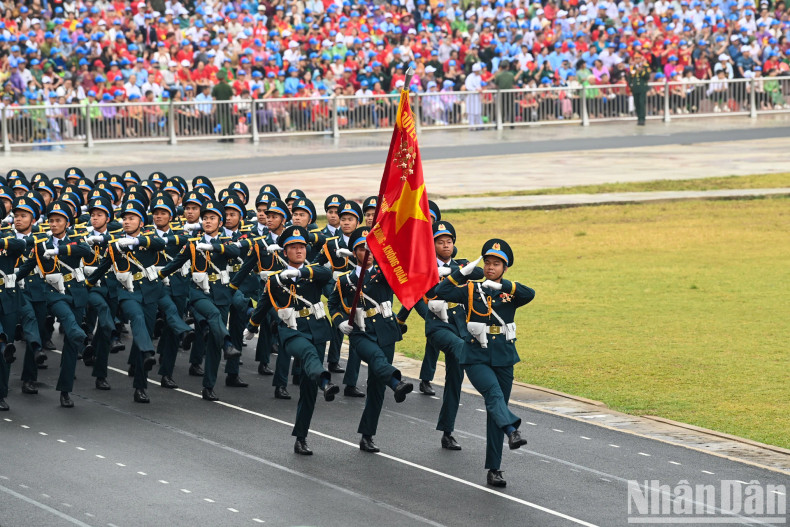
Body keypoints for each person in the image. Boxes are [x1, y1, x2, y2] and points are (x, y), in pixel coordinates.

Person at [435, 239, 534, 488]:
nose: (490, 267)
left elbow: (529, 294)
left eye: (496, 264)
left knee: (496, 410)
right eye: (487, 262)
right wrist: (461, 274)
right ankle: (512, 431)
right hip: (476, 356)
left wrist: (503, 286)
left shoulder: (510, 293)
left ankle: (494, 469)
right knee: (493, 394)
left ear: (505, 268)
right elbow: (440, 292)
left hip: (504, 356)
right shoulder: (470, 290)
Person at [244, 226, 339, 455]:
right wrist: (252, 327)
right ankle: (325, 380)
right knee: (307, 353)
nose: (299, 251)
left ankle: (301, 438)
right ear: (285, 252)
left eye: (302, 247)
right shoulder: (275, 280)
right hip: (292, 332)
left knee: (308, 389)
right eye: (293, 247)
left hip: (317, 330)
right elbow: (263, 305)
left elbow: (326, 274)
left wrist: (301, 273)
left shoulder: (313, 272)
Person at [328, 227, 414, 453]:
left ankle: (367, 436)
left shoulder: (384, 273)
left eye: (371, 249)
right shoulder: (346, 280)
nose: (367, 253)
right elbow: (333, 304)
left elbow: (402, 271)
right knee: (376, 358)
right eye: (362, 248)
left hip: (386, 331)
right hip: (361, 333)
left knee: (376, 387)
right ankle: (396, 382)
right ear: (354, 252)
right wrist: (339, 322)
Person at [158, 200, 243, 401]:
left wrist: (213, 247)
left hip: (221, 295)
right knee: (212, 315)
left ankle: (208, 386)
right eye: (205, 218)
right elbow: (176, 263)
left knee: (214, 342)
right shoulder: (193, 243)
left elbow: (235, 252)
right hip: (198, 294)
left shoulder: (227, 242)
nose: (207, 221)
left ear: (220, 223)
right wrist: (157, 276)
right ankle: (228, 342)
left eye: (212, 218)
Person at [628, 54, 650, 126]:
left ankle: (642, 119)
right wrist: (630, 86)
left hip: (642, 87)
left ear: (641, 59)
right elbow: (630, 77)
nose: (637, 60)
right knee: (636, 103)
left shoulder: (645, 66)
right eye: (635, 58)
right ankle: (638, 118)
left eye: (638, 58)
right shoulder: (632, 67)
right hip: (635, 88)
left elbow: (647, 76)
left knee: (641, 103)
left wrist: (641, 71)